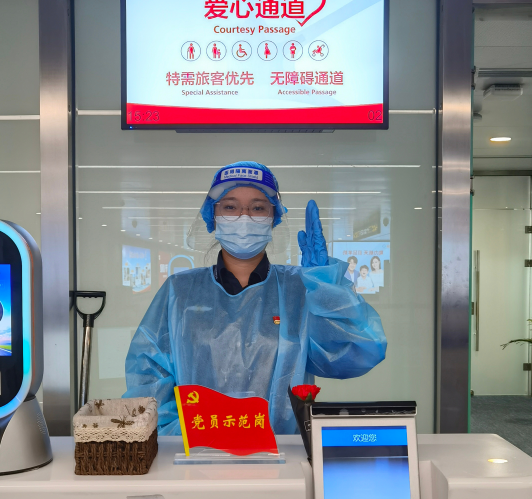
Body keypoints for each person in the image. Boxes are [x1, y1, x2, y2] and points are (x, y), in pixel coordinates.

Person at [124, 161, 387, 435]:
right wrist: (176, 435)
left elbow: (357, 354)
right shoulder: (179, 292)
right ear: (212, 216)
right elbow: (148, 379)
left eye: (258, 208)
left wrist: (327, 289)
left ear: (273, 218)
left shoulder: (301, 290)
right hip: (199, 451)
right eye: (230, 207)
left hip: (282, 452)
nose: (244, 217)